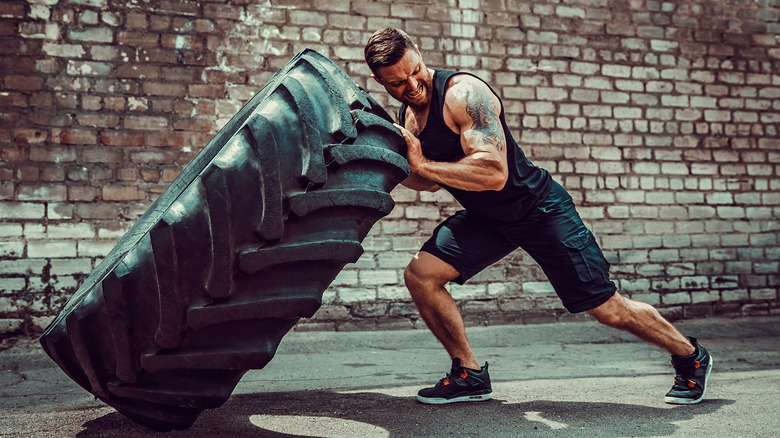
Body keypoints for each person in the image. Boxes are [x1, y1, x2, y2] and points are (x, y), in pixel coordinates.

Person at [363, 28, 712, 406]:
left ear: (419, 52)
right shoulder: (410, 117)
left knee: (605, 308)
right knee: (422, 275)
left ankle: (690, 356)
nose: (413, 86)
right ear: (379, 80)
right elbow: (427, 183)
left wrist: (422, 164)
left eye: (416, 71)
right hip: (488, 218)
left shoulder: (463, 95)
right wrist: (393, 162)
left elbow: (493, 173)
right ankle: (469, 373)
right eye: (398, 83)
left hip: (540, 210)